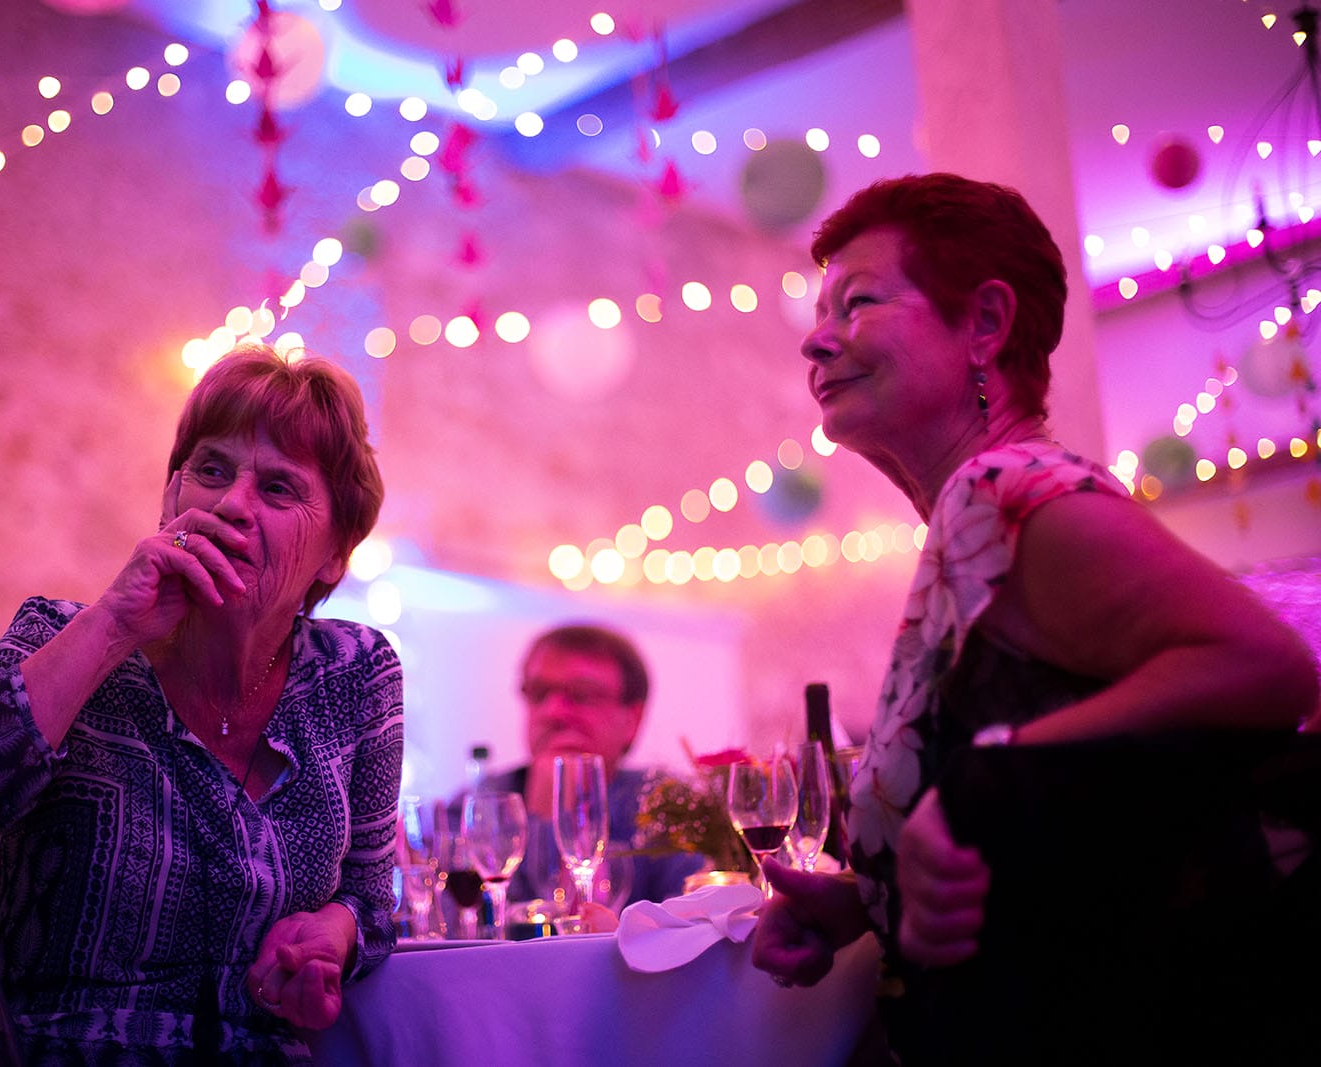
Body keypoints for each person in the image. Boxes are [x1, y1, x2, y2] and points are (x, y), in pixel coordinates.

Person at [748, 174, 1320, 1062]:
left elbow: (1270, 665)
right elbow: (1093, 815)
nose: (816, 341)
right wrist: (868, 895)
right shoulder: (978, 517)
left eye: (857, 301)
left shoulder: (1005, 490)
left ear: (985, 323)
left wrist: (990, 778)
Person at [0, 346, 403, 1064]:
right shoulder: (61, 638)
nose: (233, 503)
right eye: (212, 470)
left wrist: (334, 931)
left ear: (338, 551)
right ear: (171, 496)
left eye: (278, 488)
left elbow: (372, 896)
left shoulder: (354, 675)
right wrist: (112, 627)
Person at [483, 623, 704, 912]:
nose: (554, 712)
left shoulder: (670, 809)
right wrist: (544, 820)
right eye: (538, 693)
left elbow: (690, 926)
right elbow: (467, 932)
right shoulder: (480, 807)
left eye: (581, 695)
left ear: (632, 719)